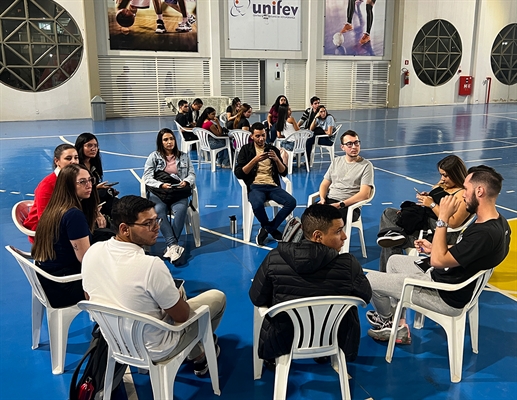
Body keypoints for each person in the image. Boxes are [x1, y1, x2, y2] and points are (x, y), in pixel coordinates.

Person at [82, 195, 226, 376]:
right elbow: (182, 316)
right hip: (156, 347)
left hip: (115, 341)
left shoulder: (93, 251)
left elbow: (89, 297)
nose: (157, 227)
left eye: (156, 220)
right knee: (216, 298)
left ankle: (196, 351)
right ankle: (199, 353)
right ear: (125, 229)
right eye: (148, 223)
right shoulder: (151, 265)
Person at [366, 165, 511, 344]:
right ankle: (399, 323)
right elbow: (467, 249)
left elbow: (437, 260)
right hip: (447, 277)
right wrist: (434, 246)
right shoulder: (499, 223)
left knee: (369, 280)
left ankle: (387, 320)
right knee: (394, 261)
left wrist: (443, 217)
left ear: (479, 191)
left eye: (466, 189)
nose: (463, 194)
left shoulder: (484, 233)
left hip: (444, 294)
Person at [249, 204, 372, 364]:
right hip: (332, 338)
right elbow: (365, 296)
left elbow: (257, 298)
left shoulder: (275, 259)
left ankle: (274, 361)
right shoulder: (349, 265)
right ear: (318, 236)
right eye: (338, 231)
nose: (344, 236)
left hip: (281, 340)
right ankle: (321, 352)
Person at [376, 155, 471, 272]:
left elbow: (453, 223)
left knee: (391, 241)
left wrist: (432, 204)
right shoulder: (445, 184)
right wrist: (429, 197)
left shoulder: (462, 194)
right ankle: (395, 238)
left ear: (456, 174)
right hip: (422, 222)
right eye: (441, 174)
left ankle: (389, 276)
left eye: (446, 175)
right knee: (389, 213)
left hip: (435, 233)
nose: (442, 178)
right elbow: (436, 197)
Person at [31, 164, 99, 308]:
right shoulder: (73, 215)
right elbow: (86, 260)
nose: (89, 185)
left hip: (47, 279)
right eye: (82, 182)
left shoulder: (54, 208)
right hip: (63, 286)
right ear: (68, 185)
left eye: (90, 180)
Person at [234, 122, 297, 246]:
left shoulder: (272, 149)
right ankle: (272, 230)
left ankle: (267, 228)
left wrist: (277, 159)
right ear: (252, 136)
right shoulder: (246, 150)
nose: (261, 138)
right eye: (258, 136)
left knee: (291, 202)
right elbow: (239, 173)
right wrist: (255, 160)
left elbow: (283, 173)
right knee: (257, 205)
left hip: (272, 186)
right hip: (255, 186)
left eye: (263, 135)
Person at [143, 128, 195, 261]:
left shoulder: (183, 156)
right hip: (160, 192)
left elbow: (192, 174)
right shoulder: (153, 157)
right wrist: (160, 185)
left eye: (171, 139)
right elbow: (147, 177)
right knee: (159, 210)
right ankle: (173, 245)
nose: (169, 142)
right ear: (160, 142)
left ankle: (171, 246)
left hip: (178, 192)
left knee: (181, 209)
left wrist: (186, 182)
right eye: (165, 140)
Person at [23, 144, 79, 242]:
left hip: (66, 223)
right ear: (57, 161)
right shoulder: (47, 185)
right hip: (44, 232)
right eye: (68, 158)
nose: (74, 161)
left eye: (76, 158)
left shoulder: (74, 179)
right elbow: (44, 219)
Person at [318, 130, 374, 224]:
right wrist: (322, 199)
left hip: (349, 206)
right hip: (330, 201)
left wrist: (341, 204)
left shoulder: (366, 166)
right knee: (309, 217)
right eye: (349, 144)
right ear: (342, 147)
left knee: (324, 221)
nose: (354, 147)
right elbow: (324, 184)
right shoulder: (336, 161)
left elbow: (365, 194)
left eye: (356, 143)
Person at [75, 132, 119, 217]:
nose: (93, 149)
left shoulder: (94, 164)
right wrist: (97, 187)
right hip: (83, 201)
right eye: (89, 145)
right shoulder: (76, 168)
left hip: (94, 197)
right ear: (80, 147)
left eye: (95, 146)